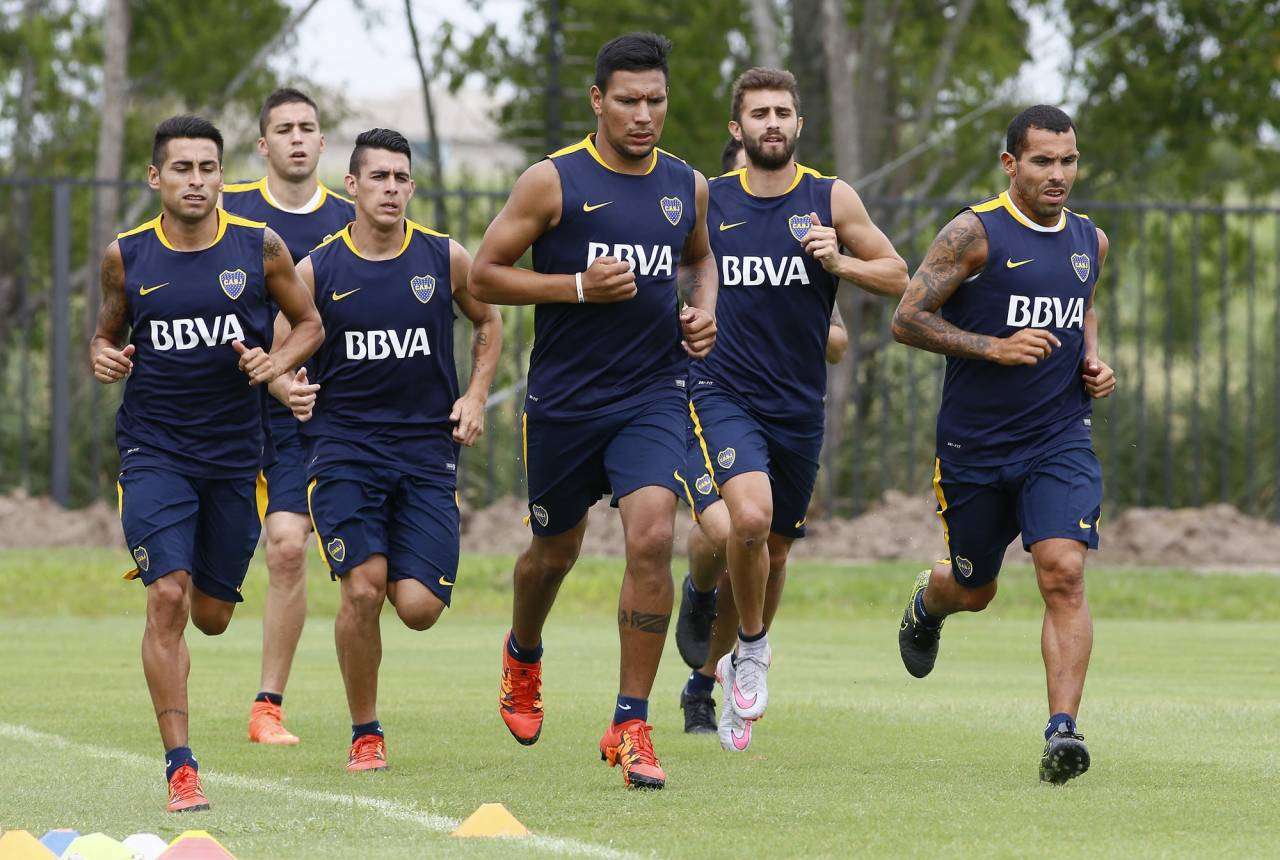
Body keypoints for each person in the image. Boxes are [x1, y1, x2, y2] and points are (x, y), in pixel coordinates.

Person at [469, 32, 717, 790]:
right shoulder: (553, 182)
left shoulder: (687, 184)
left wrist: (702, 311)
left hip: (653, 394)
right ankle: (523, 652)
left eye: (656, 101)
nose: (644, 115)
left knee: (652, 537)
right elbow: (483, 276)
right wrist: (575, 286)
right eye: (629, 101)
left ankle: (630, 722)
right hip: (565, 403)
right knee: (554, 554)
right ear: (598, 101)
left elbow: (700, 256)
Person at [90, 115, 323, 811]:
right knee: (166, 596)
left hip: (234, 457)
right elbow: (106, 335)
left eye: (208, 169)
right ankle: (180, 766)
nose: (197, 181)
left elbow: (310, 324)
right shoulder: (125, 257)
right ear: (156, 177)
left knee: (212, 615)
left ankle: (184, 568)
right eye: (183, 169)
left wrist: (274, 363)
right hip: (154, 449)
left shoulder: (261, 247)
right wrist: (103, 356)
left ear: (224, 175)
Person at [681, 67, 907, 750]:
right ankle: (750, 647)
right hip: (721, 393)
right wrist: (683, 316)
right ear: (737, 128)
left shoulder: (829, 197)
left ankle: (720, 677)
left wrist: (840, 262)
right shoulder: (707, 200)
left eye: (783, 111)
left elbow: (898, 275)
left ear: (799, 124)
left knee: (772, 553)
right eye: (758, 113)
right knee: (746, 520)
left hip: (798, 407)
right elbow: (670, 274)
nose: (771, 123)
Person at [890, 104, 1116, 784]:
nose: (1058, 174)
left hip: (1058, 438)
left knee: (1063, 571)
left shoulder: (1090, 240)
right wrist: (994, 346)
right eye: (1043, 161)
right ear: (1011, 163)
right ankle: (929, 603)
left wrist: (1093, 363)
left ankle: (1062, 733)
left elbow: (1081, 304)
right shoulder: (974, 233)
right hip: (975, 448)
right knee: (974, 587)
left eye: (1068, 160)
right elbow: (907, 318)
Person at [277, 128, 502, 772]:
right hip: (342, 450)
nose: (393, 189)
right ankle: (365, 730)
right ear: (351, 185)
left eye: (402, 178)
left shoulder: (443, 257)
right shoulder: (318, 268)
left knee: (420, 608)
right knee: (362, 589)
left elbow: (489, 320)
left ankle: (396, 608)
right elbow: (278, 348)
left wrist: (477, 395)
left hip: (427, 453)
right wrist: (287, 388)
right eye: (379, 177)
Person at [674, 134, 851, 733]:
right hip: (707, 400)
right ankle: (700, 598)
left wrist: (798, 321)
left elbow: (839, 338)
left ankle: (706, 683)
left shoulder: (806, 230)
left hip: (789, 409)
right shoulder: (704, 221)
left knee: (764, 551)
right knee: (731, 528)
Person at [222, 86, 355, 747]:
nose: (298, 138)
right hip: (233, 419)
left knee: (286, 550)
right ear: (263, 144)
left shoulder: (351, 220)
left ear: (323, 142)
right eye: (284, 128)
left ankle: (267, 706)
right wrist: (272, 380)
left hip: (320, 422)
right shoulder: (230, 214)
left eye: (308, 127)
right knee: (207, 604)